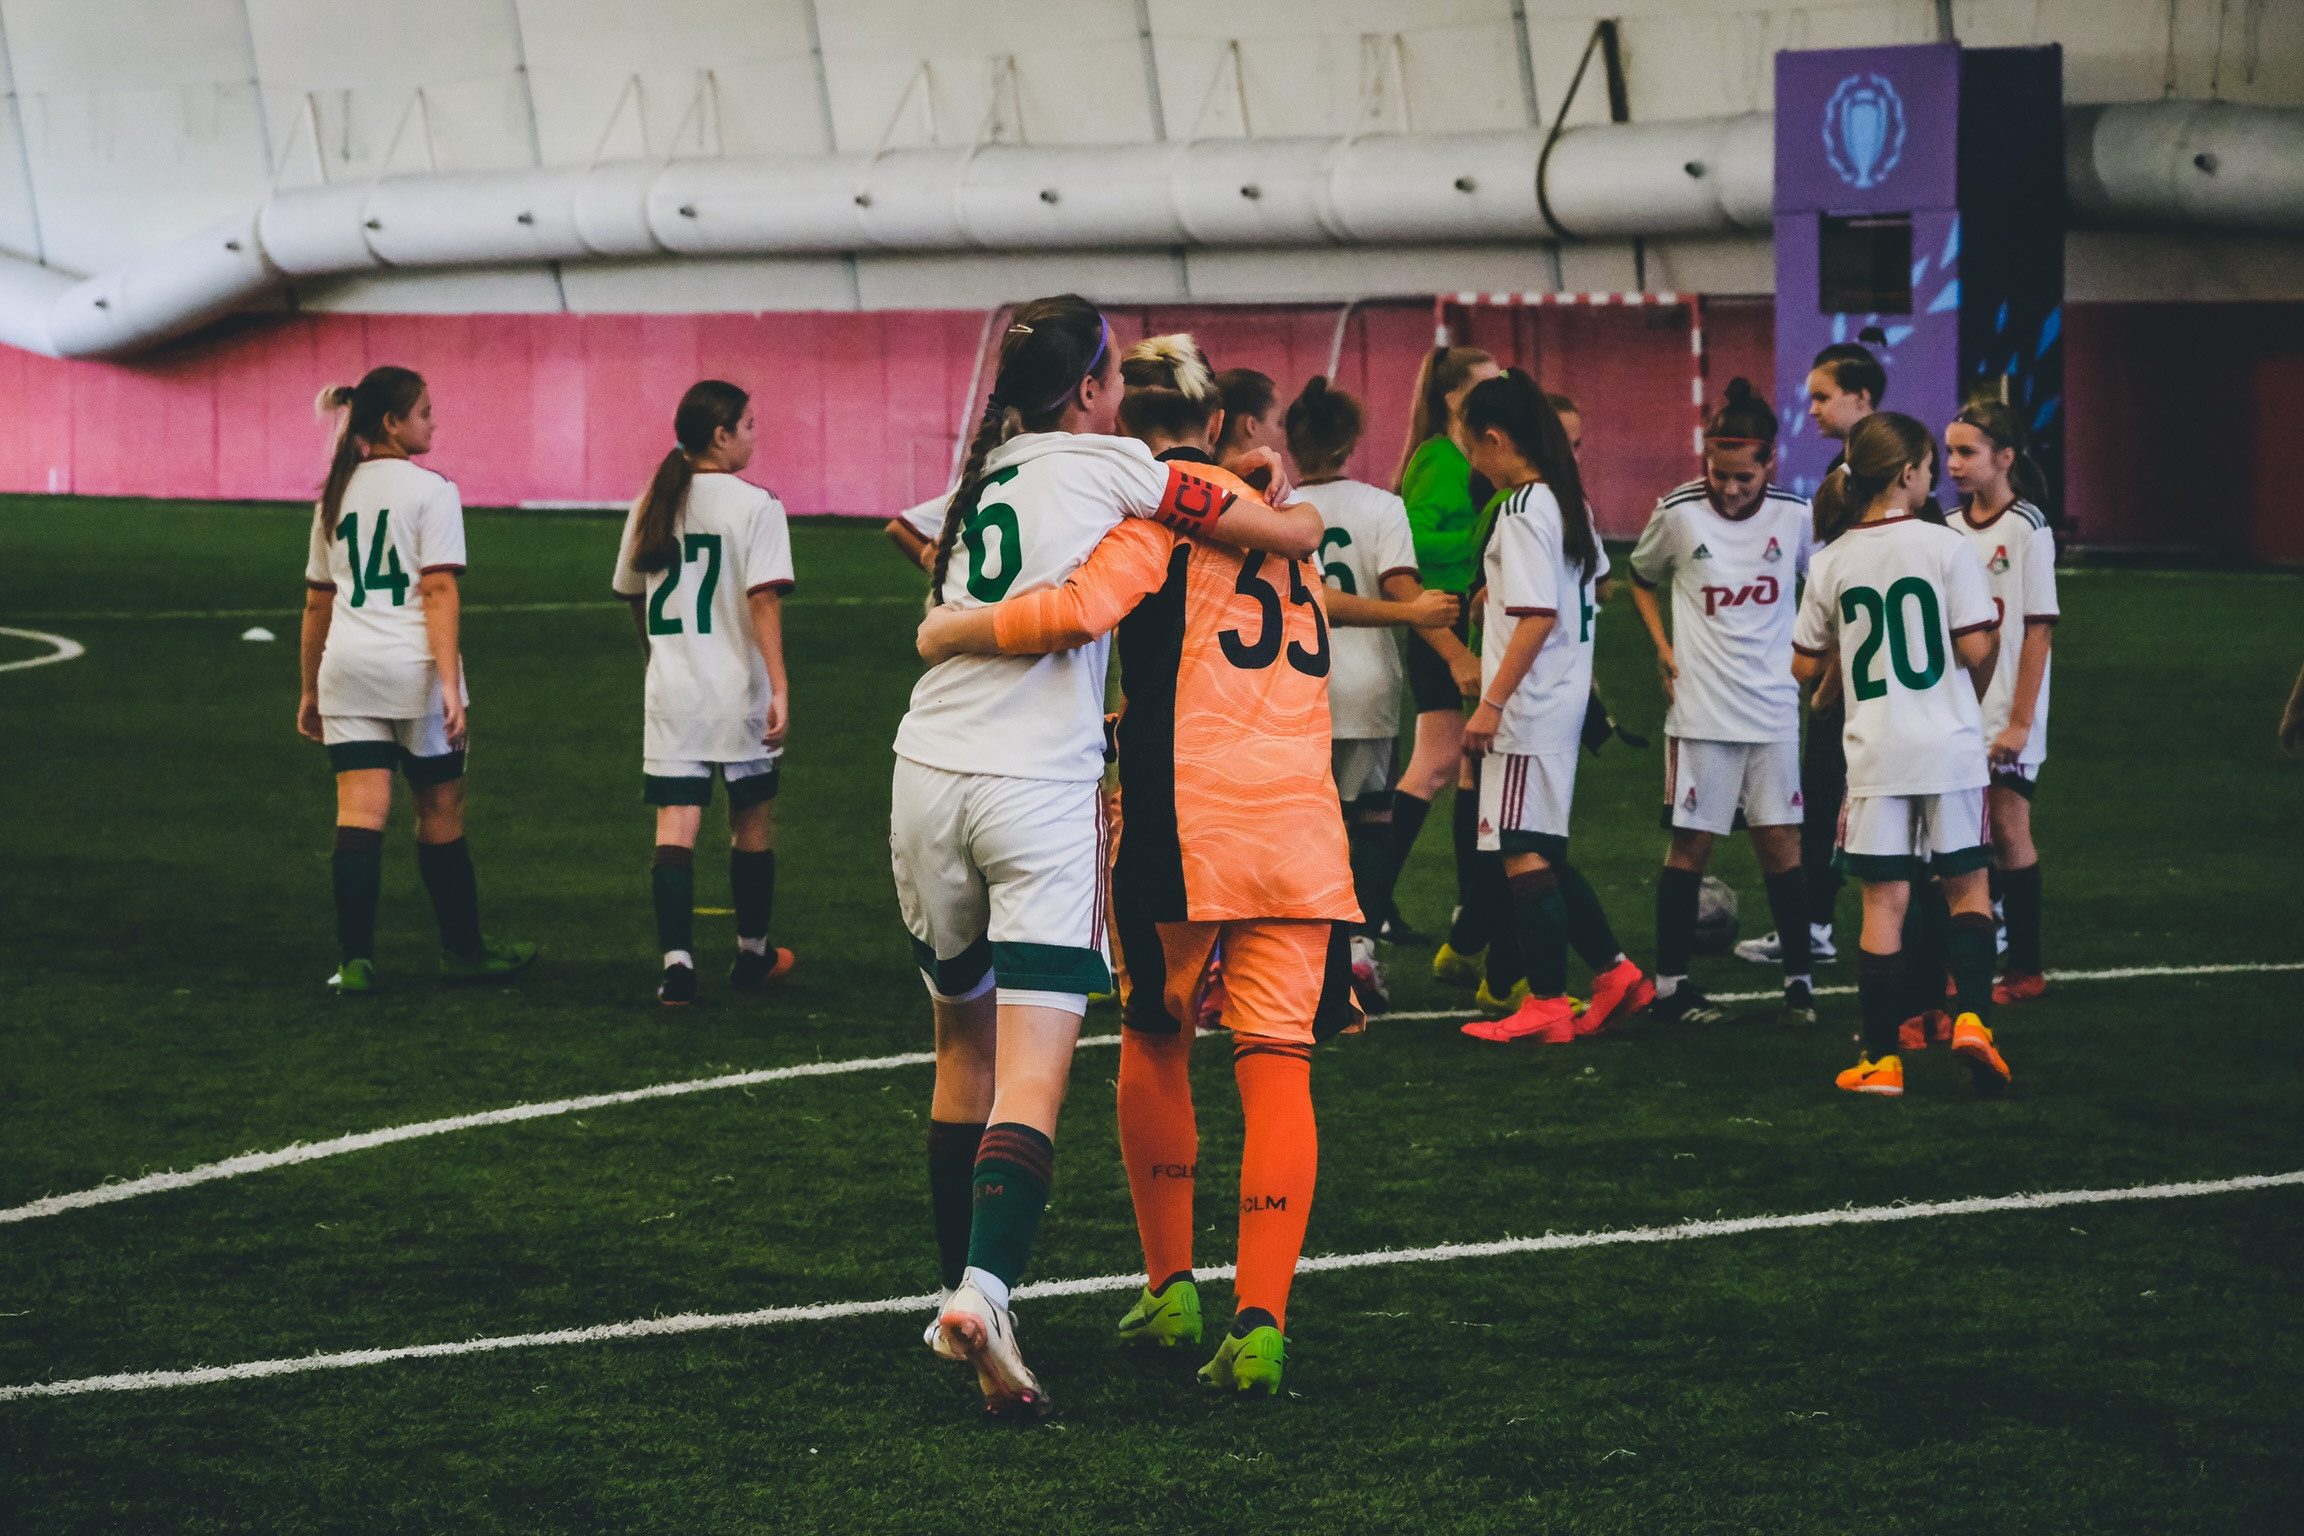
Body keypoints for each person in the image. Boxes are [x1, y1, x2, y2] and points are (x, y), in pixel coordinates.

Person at [892, 296, 1318, 1418]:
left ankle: (970, 1282)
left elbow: (950, 557)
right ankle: (990, 1293)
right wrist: (1267, 486)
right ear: (1092, 392)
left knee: (963, 1049)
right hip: (1055, 786)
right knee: (1044, 1068)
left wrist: (943, 626)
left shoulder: (981, 476)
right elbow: (1277, 537)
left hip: (925, 770)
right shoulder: (1121, 468)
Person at [1790, 413, 2012, 1098]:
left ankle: (1882, 1060)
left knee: (1883, 905)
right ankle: (1972, 1017)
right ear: (1908, 473)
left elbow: (1803, 666)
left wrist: (1838, 672)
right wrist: (1974, 663)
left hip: (1875, 752)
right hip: (1948, 746)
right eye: (1928, 467)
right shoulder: (1946, 546)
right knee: (1967, 888)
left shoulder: (1830, 559)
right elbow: (1974, 648)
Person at [297, 368, 535, 995]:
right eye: (425, 412)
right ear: (392, 423)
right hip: (413, 671)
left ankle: (355, 962)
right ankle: (462, 950)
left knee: (358, 813)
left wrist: (310, 688)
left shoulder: (334, 495)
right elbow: (437, 589)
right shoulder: (433, 490)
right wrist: (450, 684)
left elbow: (317, 601)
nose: (434, 422)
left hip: (348, 668)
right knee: (440, 809)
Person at [1451, 369, 1653, 1045]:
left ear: (1494, 439)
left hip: (1528, 706)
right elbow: (1592, 582)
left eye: (1471, 447)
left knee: (1519, 851)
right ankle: (1616, 974)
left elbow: (1538, 615)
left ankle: (1544, 1004)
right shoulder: (1566, 501)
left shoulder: (1518, 509)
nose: (1472, 462)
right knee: (1541, 849)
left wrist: (1491, 704)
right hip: (1562, 697)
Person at [1628, 379, 1818, 1025]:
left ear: (1770, 463)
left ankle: (1799, 985)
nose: (1731, 489)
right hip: (1701, 711)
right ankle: (1671, 987)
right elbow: (1640, 576)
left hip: (1773, 710)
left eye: (1744, 476)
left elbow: (1823, 588)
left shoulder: (1795, 515)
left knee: (1781, 845)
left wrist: (1815, 658)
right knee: (1691, 846)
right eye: (1719, 474)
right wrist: (1663, 648)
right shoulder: (1678, 512)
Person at [611, 380, 797, 1005]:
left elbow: (633, 595)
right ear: (720, 435)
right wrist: (780, 685)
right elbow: (763, 599)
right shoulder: (756, 505)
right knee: (751, 821)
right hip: (738, 689)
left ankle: (677, 966)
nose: (754, 436)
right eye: (748, 425)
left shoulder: (651, 501)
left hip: (673, 689)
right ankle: (752, 953)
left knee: (675, 827)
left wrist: (658, 658)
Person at [1287, 375, 1458, 1011]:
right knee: (1371, 827)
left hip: (1294, 688)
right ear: (1352, 441)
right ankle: (1356, 954)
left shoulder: (1276, 508)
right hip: (1367, 689)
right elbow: (1402, 589)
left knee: (1307, 832)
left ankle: (1300, 963)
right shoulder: (1381, 507)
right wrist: (1452, 647)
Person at [1737, 341, 1887, 971]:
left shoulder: (1862, 479)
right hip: (1868, 665)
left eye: (1824, 397)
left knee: (1832, 792)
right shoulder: (1857, 470)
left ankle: (1821, 925)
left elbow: (1843, 582)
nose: (1814, 408)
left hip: (1858, 668)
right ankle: (1823, 922)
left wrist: (1825, 677)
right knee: (1842, 794)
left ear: (1862, 398)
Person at [1384, 347, 1500, 963]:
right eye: (1487, 385)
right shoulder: (1438, 458)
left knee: (1459, 768)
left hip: (1453, 612)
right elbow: (1411, 537)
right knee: (1435, 766)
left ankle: (1466, 908)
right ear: (1454, 398)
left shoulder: (1463, 455)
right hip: (1440, 616)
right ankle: (1367, 904)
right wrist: (1487, 533)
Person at [1946, 397, 2059, 1006]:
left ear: (2005, 458)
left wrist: (2019, 721)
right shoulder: (1945, 527)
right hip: (1958, 708)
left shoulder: (2027, 527)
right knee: (1958, 836)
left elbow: (2038, 629)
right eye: (1949, 451)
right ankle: (1963, 960)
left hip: (2010, 708)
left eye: (1967, 452)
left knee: (2010, 829)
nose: (1953, 463)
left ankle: (2026, 969)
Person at [1215, 367, 1283, 464]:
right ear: (1251, 425)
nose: (1282, 434)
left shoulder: (1196, 471)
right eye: (1279, 422)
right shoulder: (1272, 473)